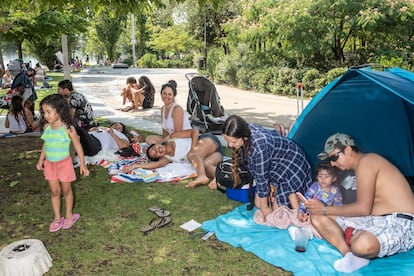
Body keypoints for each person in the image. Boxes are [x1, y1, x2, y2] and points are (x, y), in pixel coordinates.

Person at [305, 133, 414, 273]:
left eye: (334, 157)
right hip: (374, 220)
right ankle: (349, 255)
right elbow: (360, 209)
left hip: (401, 222)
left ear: (348, 150)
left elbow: (363, 208)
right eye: (330, 159)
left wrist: (325, 209)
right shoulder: (359, 168)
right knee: (316, 216)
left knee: (362, 245)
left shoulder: (368, 161)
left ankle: (354, 239)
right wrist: (322, 210)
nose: (332, 163)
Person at [221, 115, 313, 220]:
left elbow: (261, 179)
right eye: (228, 141)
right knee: (258, 204)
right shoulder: (246, 132)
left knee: (278, 214)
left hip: (292, 168)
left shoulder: (259, 146)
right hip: (276, 168)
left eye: (233, 142)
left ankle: (299, 200)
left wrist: (265, 209)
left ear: (244, 137)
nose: (230, 145)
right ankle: (281, 194)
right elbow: (259, 175)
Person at [36, 94, 89, 232]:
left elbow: (78, 146)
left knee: (66, 190)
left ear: (59, 110)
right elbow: (46, 145)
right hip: (50, 165)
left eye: (48, 111)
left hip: (64, 164)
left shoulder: (68, 128)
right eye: (44, 112)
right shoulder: (48, 127)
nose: (45, 115)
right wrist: (41, 160)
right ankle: (57, 218)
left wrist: (83, 164)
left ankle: (69, 215)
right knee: (54, 191)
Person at [124, 128, 223, 188]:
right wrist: (135, 166)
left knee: (192, 156)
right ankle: (220, 178)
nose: (157, 151)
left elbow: (194, 132)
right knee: (204, 166)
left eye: (155, 148)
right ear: (160, 157)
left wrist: (193, 149)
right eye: (155, 154)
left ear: (157, 144)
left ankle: (201, 176)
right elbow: (156, 164)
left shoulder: (173, 137)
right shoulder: (167, 158)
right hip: (216, 153)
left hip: (207, 140)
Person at [145, 80, 192, 145]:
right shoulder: (163, 109)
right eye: (164, 93)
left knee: (156, 146)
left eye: (169, 94)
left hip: (181, 140)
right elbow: (164, 130)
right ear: (161, 94)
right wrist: (164, 141)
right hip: (170, 139)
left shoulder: (177, 109)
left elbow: (178, 133)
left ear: (174, 96)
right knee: (149, 139)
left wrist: (163, 142)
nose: (166, 96)